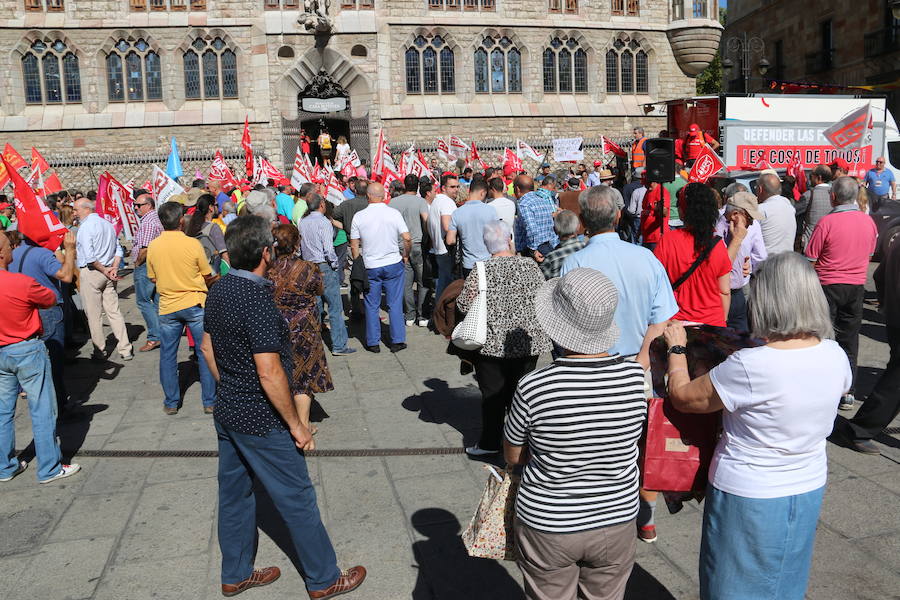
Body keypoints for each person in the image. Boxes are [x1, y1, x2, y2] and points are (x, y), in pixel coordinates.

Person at [664, 251, 850, 600]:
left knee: (731, 584)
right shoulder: (835, 353)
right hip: (806, 484)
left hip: (749, 491)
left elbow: (685, 397)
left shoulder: (752, 365)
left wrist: (676, 350)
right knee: (785, 580)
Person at [200, 215, 366, 599]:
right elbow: (270, 372)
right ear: (264, 252)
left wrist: (232, 387)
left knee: (235, 494)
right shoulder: (258, 298)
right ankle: (324, 579)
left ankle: (236, 573)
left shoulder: (220, 289)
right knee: (297, 496)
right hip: (262, 417)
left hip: (229, 410)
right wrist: (296, 425)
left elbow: (207, 347)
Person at [505, 268, 646, 600]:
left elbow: (513, 455)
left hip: (548, 522)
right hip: (617, 516)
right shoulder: (635, 379)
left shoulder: (534, 386)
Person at [458, 221, 551, 456]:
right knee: (524, 394)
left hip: (492, 343)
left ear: (487, 244)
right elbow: (542, 297)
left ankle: (490, 443)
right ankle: (524, 443)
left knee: (492, 397)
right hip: (527, 340)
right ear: (509, 239)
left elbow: (463, 304)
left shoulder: (481, 270)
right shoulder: (530, 265)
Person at [0, 232, 81, 484]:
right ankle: (49, 468)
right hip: (26, 349)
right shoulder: (20, 282)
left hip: (1, 352)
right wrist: (69, 250)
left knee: (3, 412)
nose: (14, 248)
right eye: (9, 245)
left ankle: (5, 466)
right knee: (42, 409)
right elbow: (51, 297)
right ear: (3, 254)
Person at [805, 176, 878, 411]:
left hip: (828, 286)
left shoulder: (827, 223)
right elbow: (869, 254)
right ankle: (848, 391)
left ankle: (823, 388)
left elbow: (811, 258)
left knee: (823, 338)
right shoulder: (869, 223)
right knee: (849, 339)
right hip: (856, 287)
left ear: (833, 196)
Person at [146, 201, 219, 415]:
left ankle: (171, 401)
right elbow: (207, 275)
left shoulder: (154, 246)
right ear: (180, 221)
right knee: (204, 352)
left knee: (168, 355)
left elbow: (152, 278)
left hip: (168, 305)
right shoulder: (192, 244)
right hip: (194, 303)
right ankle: (209, 401)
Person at [839, 219, 900, 454]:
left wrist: (886, 304)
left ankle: (860, 429)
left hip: (894, 318)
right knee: (895, 382)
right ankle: (859, 429)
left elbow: (879, 276)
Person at [269, 223, 334, 439]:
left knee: (281, 372)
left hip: (276, 324)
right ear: (297, 243)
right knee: (304, 375)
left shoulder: (268, 268)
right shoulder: (309, 268)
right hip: (305, 326)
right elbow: (319, 290)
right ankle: (303, 425)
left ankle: (287, 420)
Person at [9, 229, 76, 415]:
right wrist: (69, 250)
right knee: (54, 359)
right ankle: (60, 405)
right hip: (47, 310)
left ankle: (34, 396)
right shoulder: (41, 254)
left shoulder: (13, 254)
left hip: (23, 310)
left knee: (34, 358)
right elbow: (66, 276)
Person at [654, 183, 732, 327]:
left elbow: (656, 285)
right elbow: (724, 292)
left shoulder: (668, 241)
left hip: (676, 323)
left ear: (684, 210)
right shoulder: (718, 245)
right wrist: (723, 320)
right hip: (712, 323)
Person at [350, 182, 412, 353]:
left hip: (371, 265)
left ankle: (373, 342)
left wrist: (357, 263)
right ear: (383, 195)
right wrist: (405, 255)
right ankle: (397, 340)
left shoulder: (359, 216)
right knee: (394, 303)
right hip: (392, 262)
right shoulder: (393, 213)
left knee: (371, 304)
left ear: (368, 196)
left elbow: (354, 244)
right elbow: (407, 238)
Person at [73, 198, 133, 361]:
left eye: (76, 209)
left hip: (93, 272)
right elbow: (118, 249)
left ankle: (100, 350)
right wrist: (113, 267)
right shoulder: (107, 224)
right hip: (107, 271)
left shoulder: (85, 227)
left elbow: (90, 257)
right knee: (114, 311)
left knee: (94, 315)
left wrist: (106, 269)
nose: (74, 213)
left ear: (86, 209)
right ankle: (125, 348)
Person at [299, 194, 355, 355]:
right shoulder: (324, 222)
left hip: (309, 266)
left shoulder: (303, 222)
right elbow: (328, 249)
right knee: (335, 307)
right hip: (324, 265)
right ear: (321, 205)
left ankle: (313, 345)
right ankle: (339, 345)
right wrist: (335, 264)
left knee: (315, 306)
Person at [714, 191, 767, 331]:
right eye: (749, 218)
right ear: (734, 215)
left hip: (738, 293)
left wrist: (748, 266)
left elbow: (757, 257)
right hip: (720, 297)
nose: (752, 222)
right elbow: (719, 268)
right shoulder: (717, 231)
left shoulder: (741, 230)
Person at [391, 175, 430, 326]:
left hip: (400, 245)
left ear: (404, 186)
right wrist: (427, 237)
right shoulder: (421, 201)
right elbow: (426, 220)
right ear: (418, 187)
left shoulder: (393, 202)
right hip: (418, 244)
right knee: (422, 281)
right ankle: (422, 315)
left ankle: (409, 315)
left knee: (406, 282)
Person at [130, 189, 163, 352]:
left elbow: (145, 248)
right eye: (134, 205)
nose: (135, 208)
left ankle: (154, 337)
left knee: (143, 302)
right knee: (156, 301)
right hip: (155, 265)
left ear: (148, 205)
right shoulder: (153, 218)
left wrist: (137, 263)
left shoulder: (149, 222)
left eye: (138, 205)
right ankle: (160, 334)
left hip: (146, 266)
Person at [446, 179, 498, 278]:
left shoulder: (457, 212)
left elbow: (450, 240)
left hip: (468, 264)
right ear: (483, 193)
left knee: (470, 293)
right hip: (487, 261)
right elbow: (497, 236)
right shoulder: (491, 211)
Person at [427, 174, 459, 302]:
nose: (456, 189)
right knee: (446, 287)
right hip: (445, 250)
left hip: (438, 249)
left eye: (457, 186)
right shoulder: (447, 202)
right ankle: (439, 316)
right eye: (452, 187)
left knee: (442, 283)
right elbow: (447, 226)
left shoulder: (437, 200)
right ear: (443, 188)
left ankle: (438, 314)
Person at [514, 175, 558, 260]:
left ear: (517, 189)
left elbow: (531, 229)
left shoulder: (524, 204)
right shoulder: (542, 199)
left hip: (536, 251)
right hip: (549, 245)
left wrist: (533, 250)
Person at [186, 194, 230, 275]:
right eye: (216, 205)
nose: (217, 207)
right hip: (211, 273)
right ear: (210, 207)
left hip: (195, 271)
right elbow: (224, 254)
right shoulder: (213, 228)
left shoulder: (191, 226)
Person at [756, 172, 797, 255]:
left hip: (767, 263)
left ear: (760, 189)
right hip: (788, 260)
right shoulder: (789, 207)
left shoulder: (760, 210)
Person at [539, 210, 584, 279]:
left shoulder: (551, 258)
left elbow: (542, 284)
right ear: (578, 227)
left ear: (555, 230)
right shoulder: (587, 247)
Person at [797, 165, 832, 247]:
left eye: (811, 176)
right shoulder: (836, 194)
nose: (809, 179)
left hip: (811, 243)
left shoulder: (809, 195)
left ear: (819, 177)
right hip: (830, 242)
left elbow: (794, 212)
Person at [639, 180, 670, 251]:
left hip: (656, 238)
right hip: (646, 236)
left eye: (647, 183)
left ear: (653, 181)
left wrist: (659, 208)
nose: (646, 186)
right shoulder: (648, 191)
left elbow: (665, 213)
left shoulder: (661, 191)